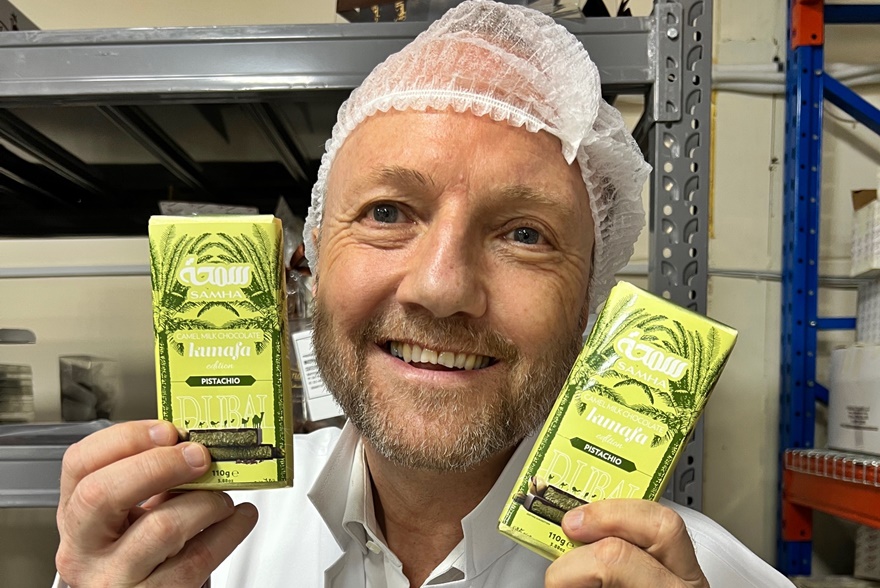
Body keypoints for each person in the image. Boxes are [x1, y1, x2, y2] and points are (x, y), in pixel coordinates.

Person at [53, 2, 795, 587]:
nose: (441, 289)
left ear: (588, 306)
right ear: (312, 261)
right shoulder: (170, 549)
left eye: (525, 234)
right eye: (387, 214)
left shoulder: (707, 578)